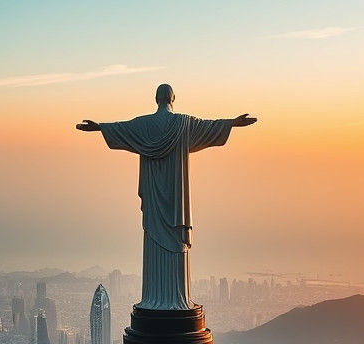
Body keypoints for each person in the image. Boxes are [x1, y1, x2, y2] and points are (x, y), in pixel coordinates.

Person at [77, 84, 256, 310]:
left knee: (154, 241)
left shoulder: (144, 126)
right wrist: (232, 123)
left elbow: (120, 129)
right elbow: (210, 127)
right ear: (173, 98)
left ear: (156, 99)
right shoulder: (184, 123)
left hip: (153, 202)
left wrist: (100, 127)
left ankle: (154, 299)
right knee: (175, 244)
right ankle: (177, 300)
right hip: (177, 203)